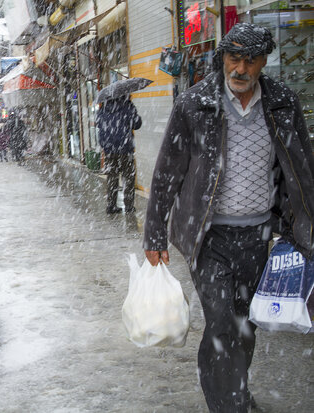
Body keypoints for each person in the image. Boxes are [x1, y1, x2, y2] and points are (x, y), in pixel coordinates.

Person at [143, 23, 314, 413]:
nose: (240, 68)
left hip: (259, 236)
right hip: (208, 237)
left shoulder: (282, 103)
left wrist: (303, 227)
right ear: (222, 57)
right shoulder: (194, 104)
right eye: (233, 58)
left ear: (264, 61)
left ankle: (235, 392)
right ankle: (228, 405)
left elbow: (302, 169)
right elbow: (167, 170)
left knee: (246, 328)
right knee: (221, 326)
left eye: (249, 61)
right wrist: (154, 234)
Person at [96, 95, 142, 214]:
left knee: (112, 176)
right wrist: (133, 112)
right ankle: (129, 206)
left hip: (109, 149)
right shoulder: (127, 106)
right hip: (125, 148)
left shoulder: (103, 108)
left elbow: (99, 126)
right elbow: (137, 124)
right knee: (128, 177)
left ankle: (111, 205)